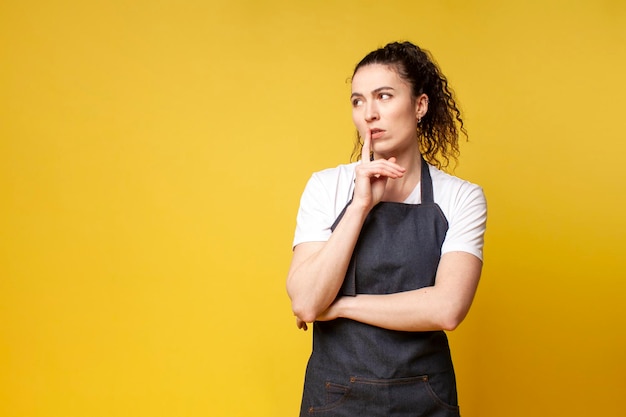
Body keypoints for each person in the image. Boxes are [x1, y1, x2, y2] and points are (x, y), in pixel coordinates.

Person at [286, 41, 487, 417]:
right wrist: (361, 205)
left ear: (420, 106)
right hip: (334, 396)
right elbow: (308, 302)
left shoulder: (461, 197)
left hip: (426, 398)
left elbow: (447, 309)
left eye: (384, 96)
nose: (370, 114)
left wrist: (343, 305)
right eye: (358, 101)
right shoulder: (326, 187)